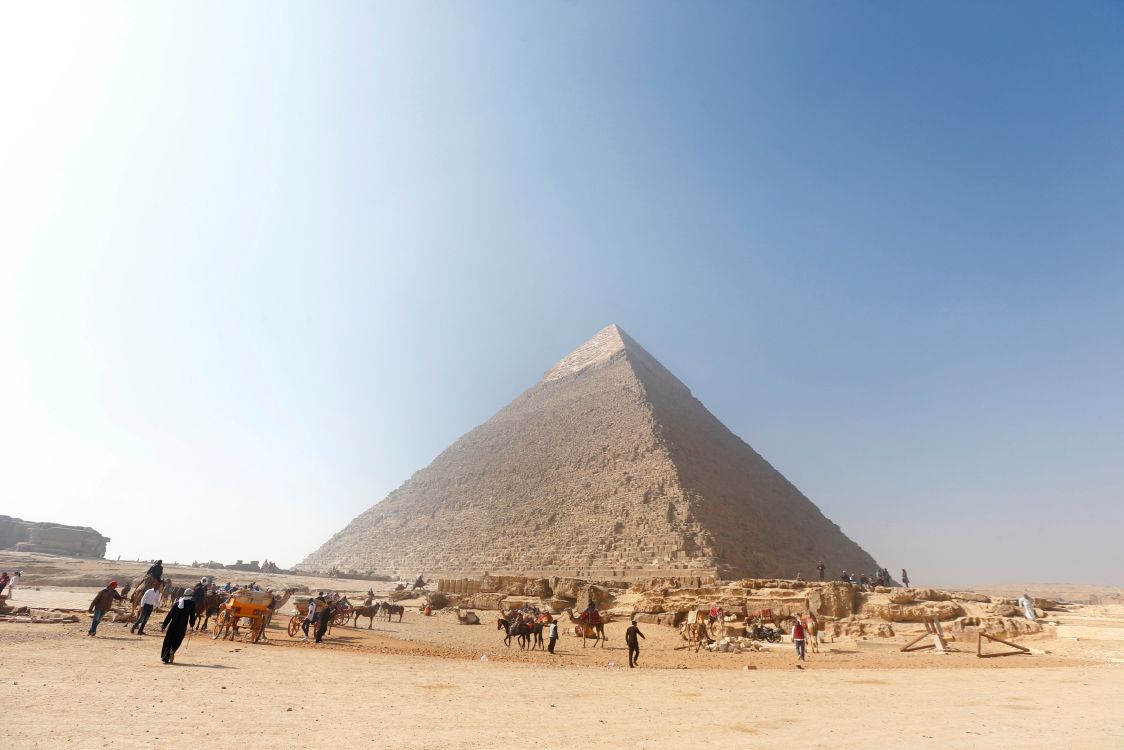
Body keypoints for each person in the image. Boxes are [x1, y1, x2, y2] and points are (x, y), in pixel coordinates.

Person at [160, 591, 194, 663]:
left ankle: (165, 658)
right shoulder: (191, 604)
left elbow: (169, 615)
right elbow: (192, 616)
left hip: (173, 625)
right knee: (178, 640)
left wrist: (164, 625)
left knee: (169, 640)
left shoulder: (177, 603)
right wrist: (192, 624)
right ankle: (172, 649)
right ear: (190, 596)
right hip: (182, 625)